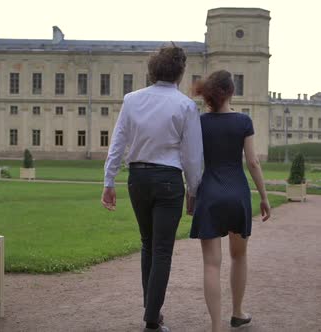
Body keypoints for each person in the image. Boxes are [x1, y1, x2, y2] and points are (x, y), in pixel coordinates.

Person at [102, 44, 203, 332]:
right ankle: (151, 317)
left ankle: (152, 312)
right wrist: (193, 191)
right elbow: (192, 156)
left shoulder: (132, 100)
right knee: (161, 250)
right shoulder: (185, 105)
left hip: (138, 179)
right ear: (180, 73)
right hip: (169, 180)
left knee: (148, 245)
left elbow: (118, 143)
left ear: (151, 71)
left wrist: (109, 181)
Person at [189, 70, 271, 332]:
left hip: (210, 193)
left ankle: (216, 326)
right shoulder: (244, 121)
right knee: (239, 256)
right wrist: (264, 197)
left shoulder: (200, 123)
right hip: (237, 193)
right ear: (231, 92)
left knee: (211, 264)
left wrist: (191, 195)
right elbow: (253, 162)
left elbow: (192, 163)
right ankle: (237, 313)